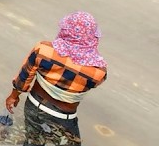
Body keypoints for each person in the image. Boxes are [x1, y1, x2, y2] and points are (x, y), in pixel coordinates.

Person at [6, 11, 107, 145]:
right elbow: (90, 84)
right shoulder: (98, 72)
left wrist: (14, 95)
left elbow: (24, 76)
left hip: (33, 106)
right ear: (92, 37)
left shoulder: (43, 50)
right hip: (63, 117)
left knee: (32, 140)